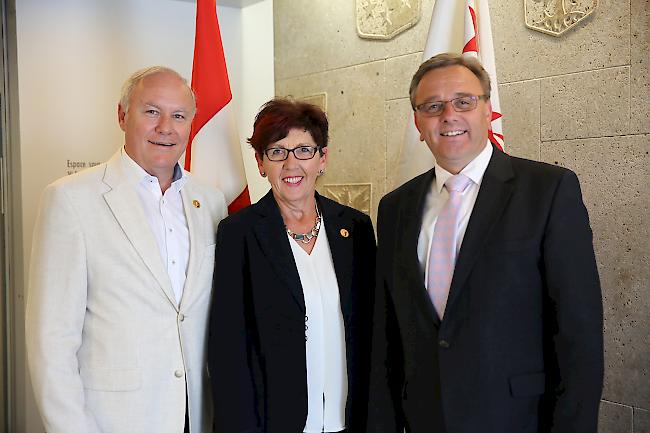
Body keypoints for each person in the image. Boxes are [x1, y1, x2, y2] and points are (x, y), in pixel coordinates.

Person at [368, 53, 603, 433]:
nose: (449, 115)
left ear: (487, 110)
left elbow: (579, 334)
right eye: (432, 106)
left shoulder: (548, 190)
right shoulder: (395, 207)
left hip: (517, 419)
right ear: (417, 122)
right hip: (425, 419)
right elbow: (388, 335)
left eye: (464, 101)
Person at [26, 66, 227, 433]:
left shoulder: (211, 202)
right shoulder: (70, 199)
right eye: (151, 111)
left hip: (198, 417)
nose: (166, 127)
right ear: (122, 115)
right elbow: (51, 343)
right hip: (115, 421)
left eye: (178, 116)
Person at [209, 98, 376, 433]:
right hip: (276, 422)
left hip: (351, 420)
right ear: (260, 163)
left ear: (322, 158)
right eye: (276, 152)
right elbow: (228, 351)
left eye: (303, 150)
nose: (291, 164)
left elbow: (372, 334)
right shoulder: (238, 234)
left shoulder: (355, 228)